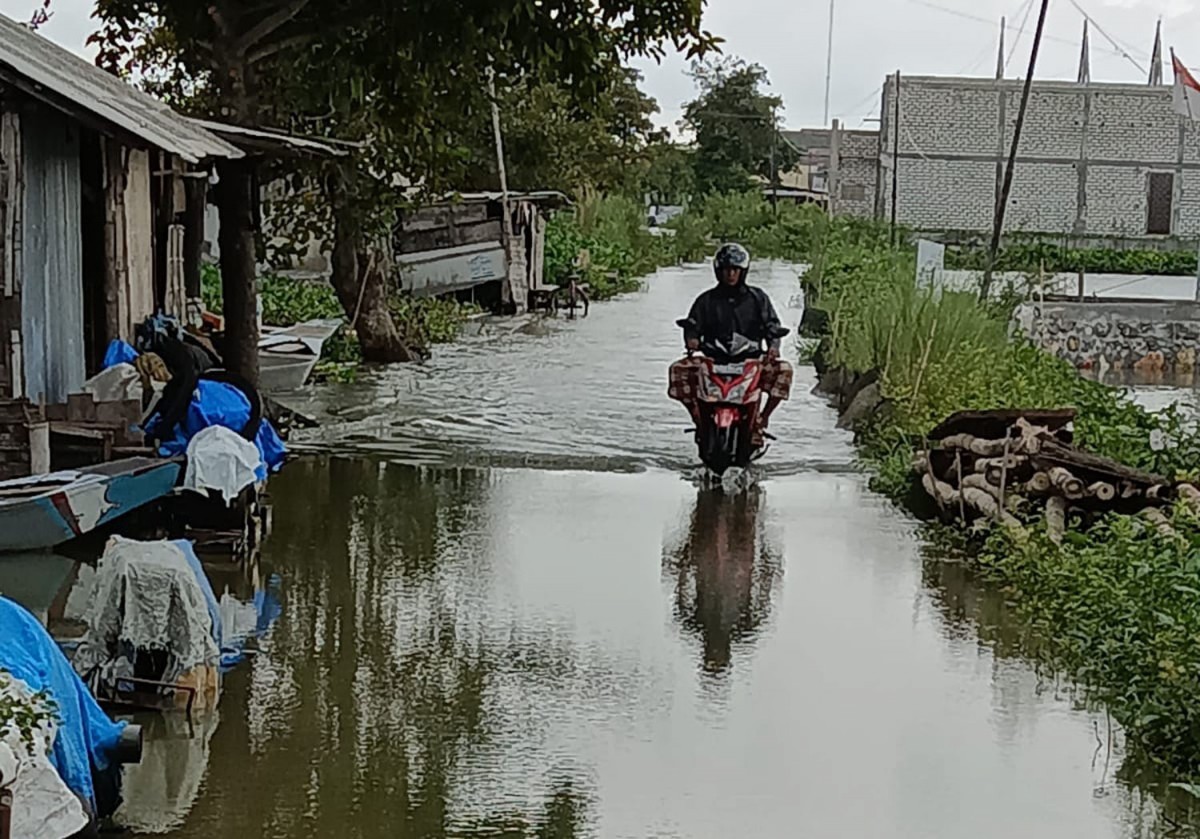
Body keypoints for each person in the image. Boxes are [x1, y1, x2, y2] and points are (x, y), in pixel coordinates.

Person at [668, 243, 793, 442]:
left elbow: (772, 325)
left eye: (735, 270)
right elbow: (692, 325)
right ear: (718, 271)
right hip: (712, 359)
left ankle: (762, 419)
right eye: (726, 270)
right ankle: (698, 418)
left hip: (750, 359)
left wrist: (773, 347)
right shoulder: (706, 300)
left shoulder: (757, 298)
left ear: (743, 271)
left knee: (784, 370)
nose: (730, 275)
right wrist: (691, 339)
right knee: (677, 370)